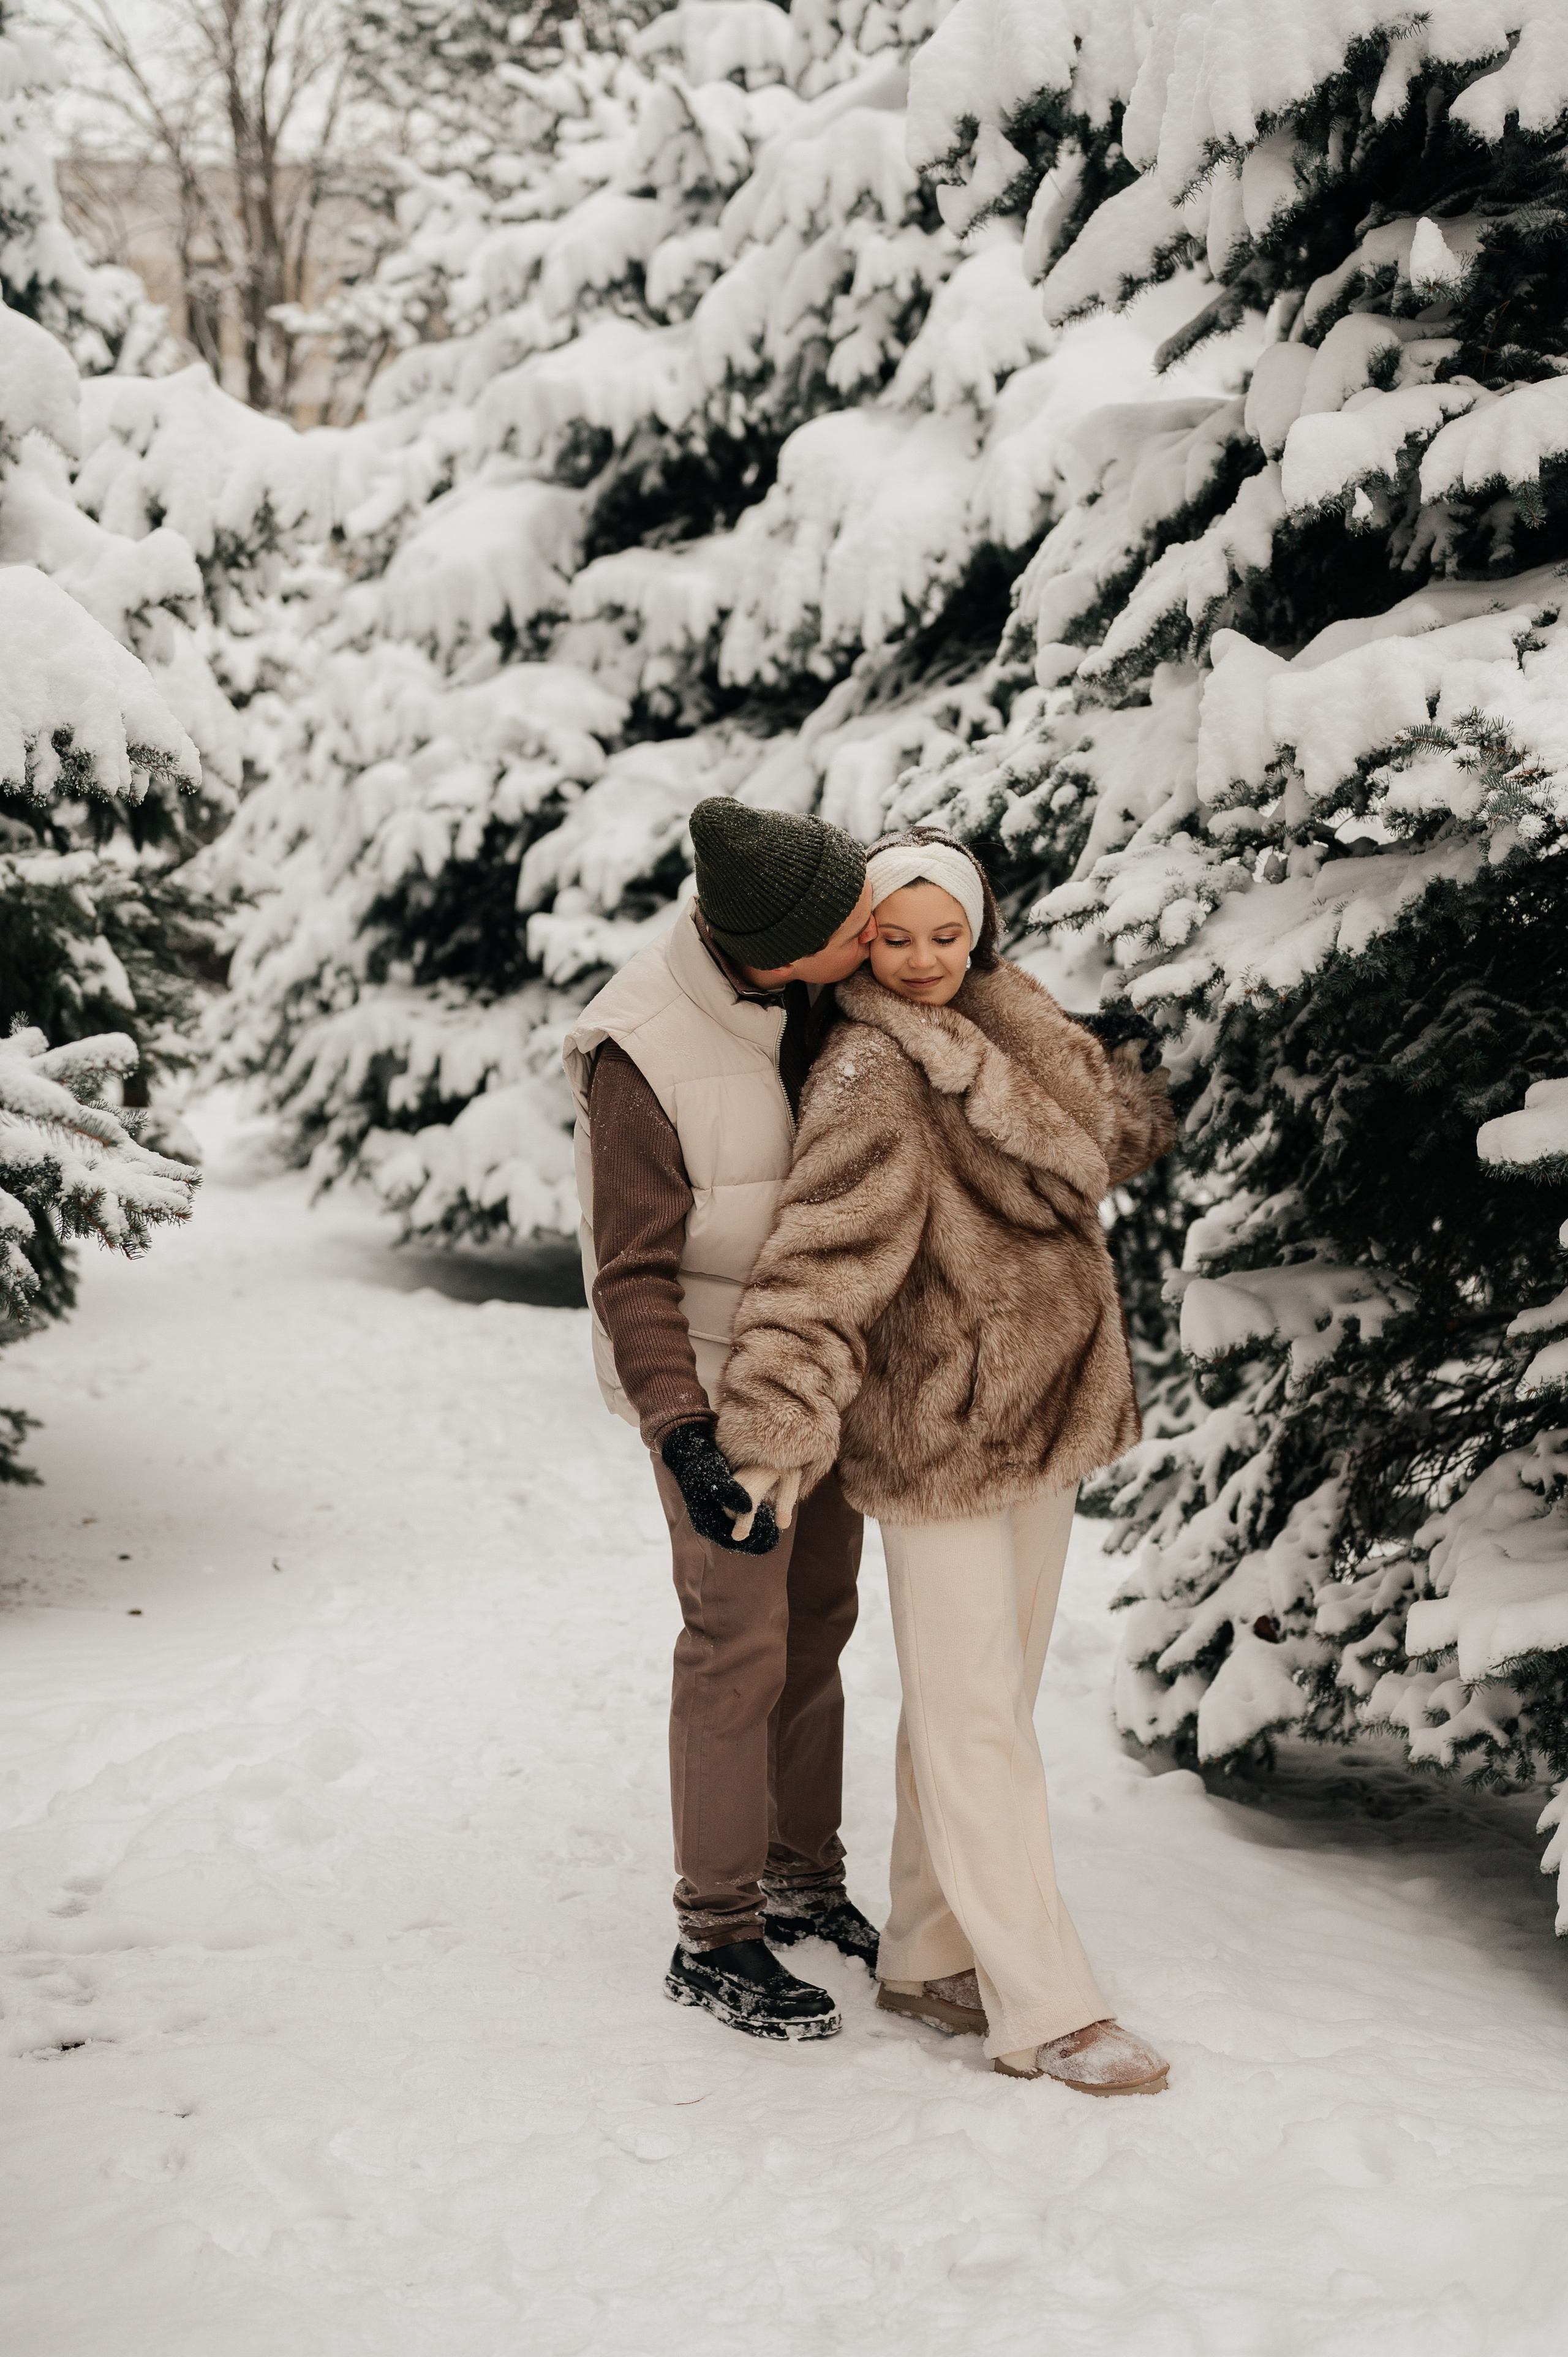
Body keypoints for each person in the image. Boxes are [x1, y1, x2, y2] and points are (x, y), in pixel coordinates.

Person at [715, 828, 1178, 2093]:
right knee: (977, 1719)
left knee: (982, 1706)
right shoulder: (870, 1067)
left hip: (1047, 1418)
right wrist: (769, 1425)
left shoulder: (1008, 1020)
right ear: (859, 938)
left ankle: (925, 1953)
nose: (920, 959)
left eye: (944, 933)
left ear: (977, 933)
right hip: (937, 1433)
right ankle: (1045, 2007)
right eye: (892, 934)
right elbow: (818, 1260)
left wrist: (1123, 1067)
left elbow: (1098, 1136)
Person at [562, 796, 883, 2042]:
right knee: (735, 1637)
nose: (873, 932)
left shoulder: (822, 988)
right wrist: (681, 1432)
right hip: (716, 1383)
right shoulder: (637, 1048)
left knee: (818, 1621)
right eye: (851, 922)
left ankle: (805, 1875)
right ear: (781, 945)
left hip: (825, 1363)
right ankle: (717, 1931)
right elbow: (630, 1272)